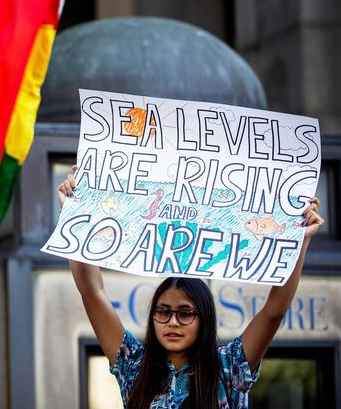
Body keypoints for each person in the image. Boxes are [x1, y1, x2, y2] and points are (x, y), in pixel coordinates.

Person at [57, 165, 325, 409]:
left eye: (185, 313)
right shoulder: (134, 366)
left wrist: (297, 241)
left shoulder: (228, 367)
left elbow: (274, 311)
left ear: (203, 318)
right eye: (163, 312)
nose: (172, 322)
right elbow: (93, 292)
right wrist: (75, 215)